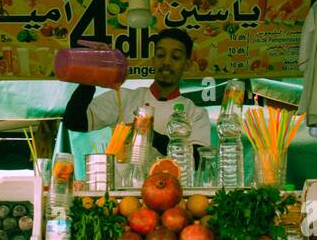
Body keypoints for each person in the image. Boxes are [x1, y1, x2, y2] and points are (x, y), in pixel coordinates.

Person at [63, 30, 212, 157]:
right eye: (160, 55)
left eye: (176, 57)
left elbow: (198, 159)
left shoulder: (196, 114)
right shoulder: (124, 98)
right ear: (153, 60)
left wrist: (148, 134)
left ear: (187, 64)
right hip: (124, 191)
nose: (166, 62)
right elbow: (74, 121)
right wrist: (92, 74)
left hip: (172, 189)